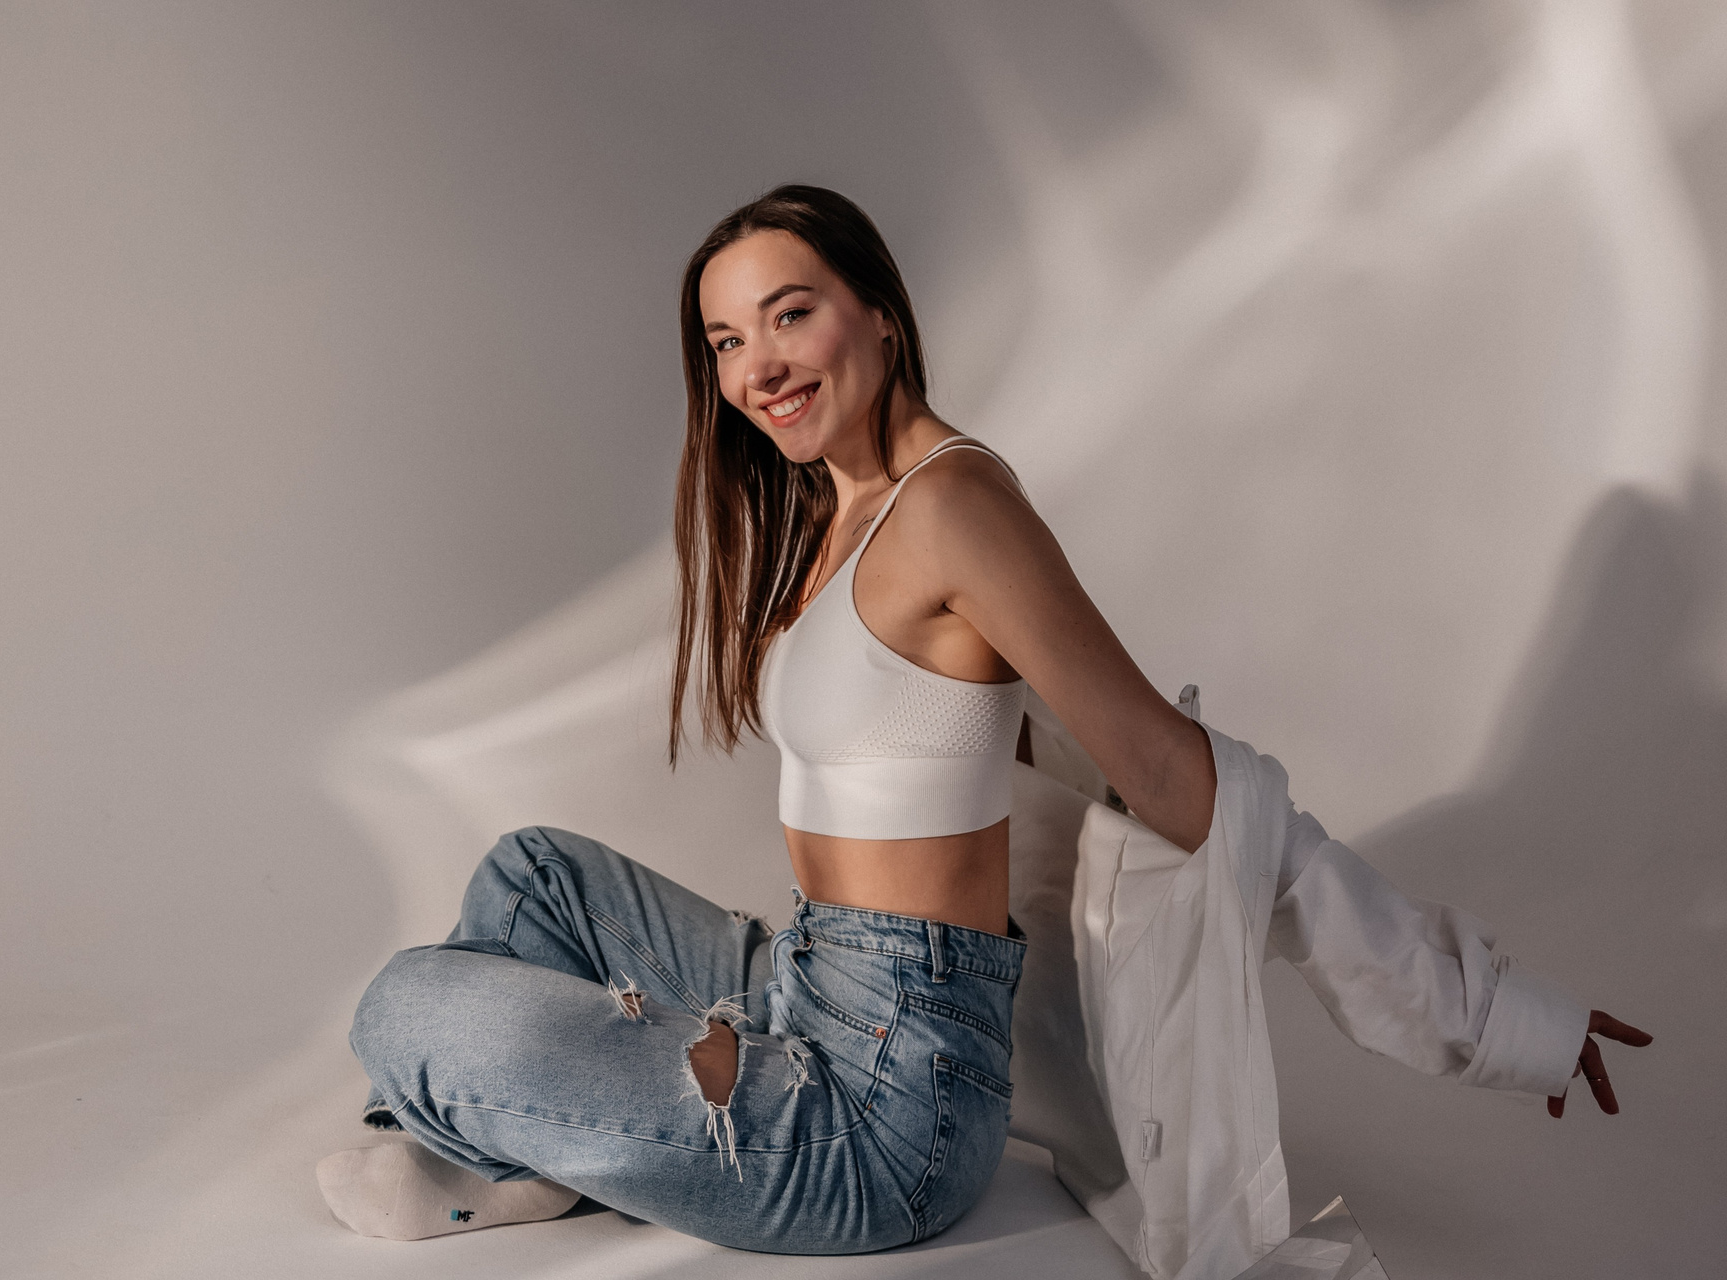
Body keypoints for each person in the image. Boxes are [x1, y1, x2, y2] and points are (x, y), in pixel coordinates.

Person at [318, 185, 1649, 1254]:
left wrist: (1492, 1017)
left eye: (789, 317)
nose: (757, 367)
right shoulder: (847, 507)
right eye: (725, 342)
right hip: (808, 983)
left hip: (887, 1115)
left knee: (401, 1003)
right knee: (534, 875)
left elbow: (1184, 783)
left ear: (882, 316)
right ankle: (524, 1154)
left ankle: (499, 1152)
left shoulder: (955, 507)